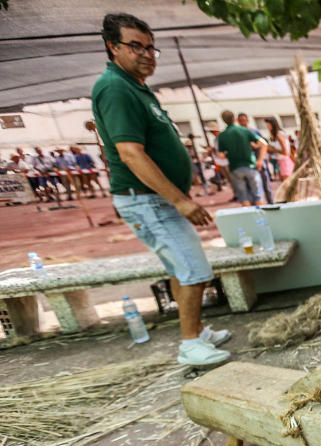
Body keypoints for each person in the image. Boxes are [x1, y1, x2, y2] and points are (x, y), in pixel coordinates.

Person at [91, 13, 231, 366]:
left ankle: (197, 331)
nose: (146, 54)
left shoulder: (136, 87)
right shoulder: (115, 88)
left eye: (151, 47)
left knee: (178, 267)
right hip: (148, 201)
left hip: (155, 201)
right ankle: (189, 345)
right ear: (113, 47)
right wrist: (180, 201)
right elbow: (130, 153)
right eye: (135, 46)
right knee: (195, 270)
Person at [216, 110, 267, 206]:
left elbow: (221, 155)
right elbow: (263, 143)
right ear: (234, 118)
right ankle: (263, 218)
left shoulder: (222, 136)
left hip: (235, 168)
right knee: (258, 196)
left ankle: (249, 218)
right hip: (250, 165)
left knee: (243, 197)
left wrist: (228, 153)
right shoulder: (244, 131)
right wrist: (260, 160)